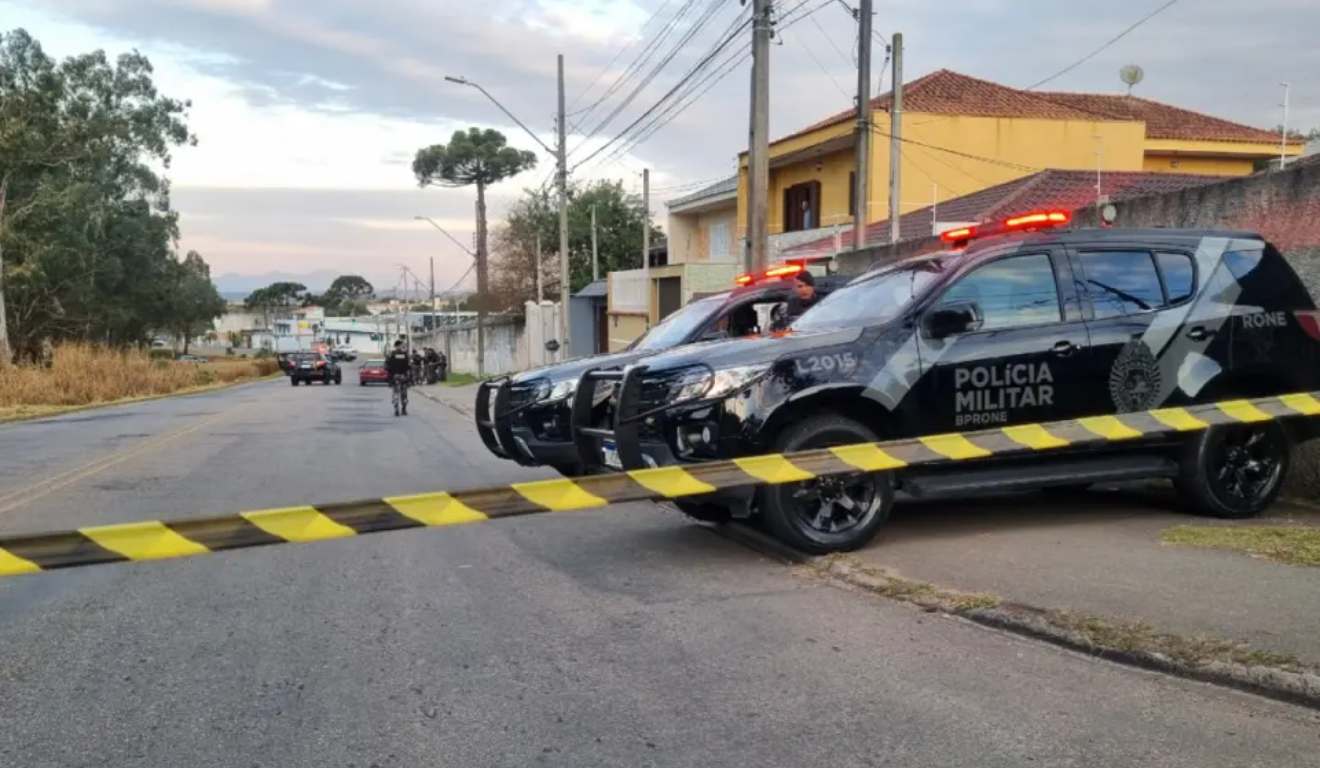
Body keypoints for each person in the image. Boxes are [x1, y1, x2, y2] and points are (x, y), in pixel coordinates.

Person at [385, 340, 411, 416]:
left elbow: (386, 366)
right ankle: (402, 409)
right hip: (402, 376)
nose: (402, 347)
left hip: (396, 376)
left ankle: (399, 409)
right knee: (403, 394)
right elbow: (408, 366)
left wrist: (390, 375)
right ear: (398, 346)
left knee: (397, 393)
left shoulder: (391, 355)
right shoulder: (405, 355)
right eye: (401, 345)